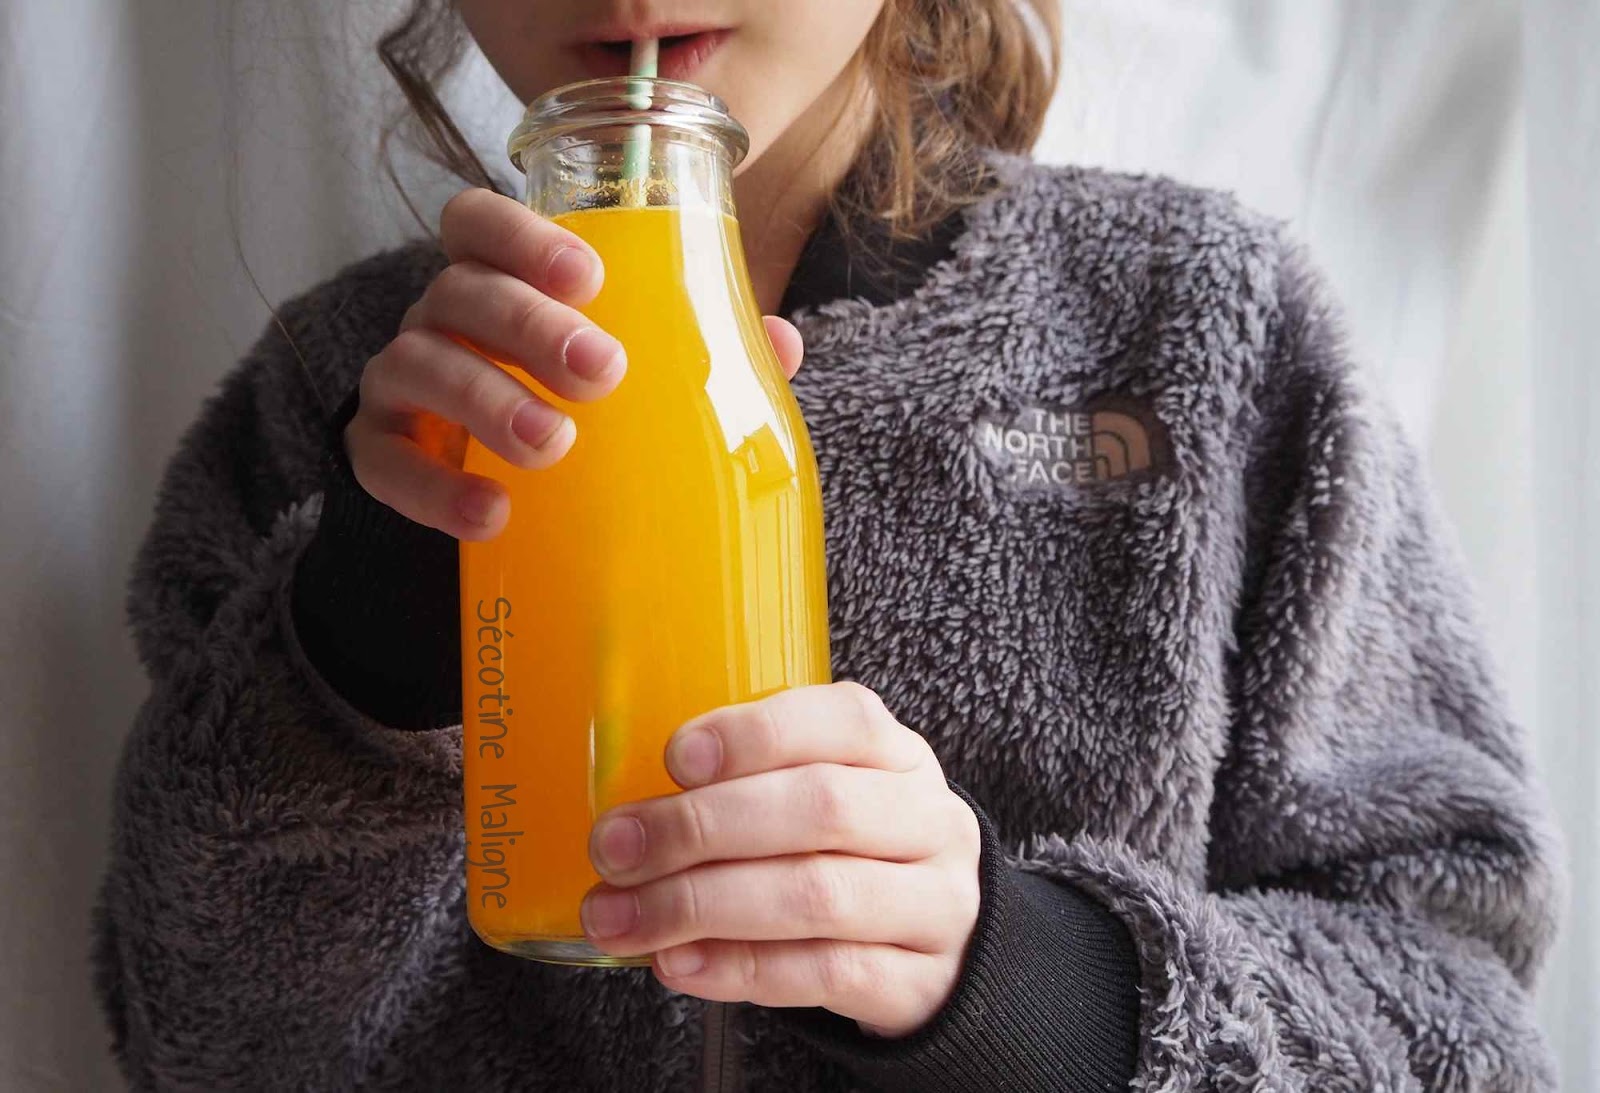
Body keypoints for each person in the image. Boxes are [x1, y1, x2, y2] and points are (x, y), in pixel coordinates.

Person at [92, 1, 1562, 1089]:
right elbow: (196, 1036)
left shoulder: (1196, 330)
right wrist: (376, 621)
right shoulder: (344, 398)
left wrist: (1025, 983)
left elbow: (1464, 1025)